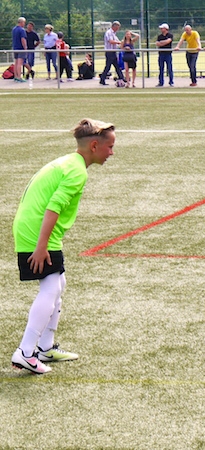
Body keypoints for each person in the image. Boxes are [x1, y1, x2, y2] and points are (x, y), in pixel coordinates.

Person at [10, 118, 116, 375]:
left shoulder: (70, 162)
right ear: (94, 146)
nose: (112, 153)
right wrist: (41, 246)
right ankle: (26, 352)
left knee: (59, 283)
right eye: (110, 147)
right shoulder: (77, 171)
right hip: (37, 232)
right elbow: (53, 208)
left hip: (32, 228)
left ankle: (45, 348)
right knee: (50, 287)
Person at [99, 21, 124, 85]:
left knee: (117, 66)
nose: (118, 29)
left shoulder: (114, 34)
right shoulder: (109, 32)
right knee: (108, 67)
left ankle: (121, 77)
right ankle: (102, 79)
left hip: (113, 52)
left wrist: (121, 43)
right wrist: (118, 42)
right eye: (117, 28)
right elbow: (111, 41)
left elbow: (117, 41)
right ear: (114, 26)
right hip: (109, 52)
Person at [11, 17, 27, 82]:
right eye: (24, 22)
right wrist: (25, 48)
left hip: (15, 47)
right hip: (20, 48)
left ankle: (15, 76)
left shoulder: (14, 29)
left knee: (16, 62)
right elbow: (23, 39)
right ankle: (19, 77)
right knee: (19, 63)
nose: (24, 24)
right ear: (21, 22)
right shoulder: (22, 30)